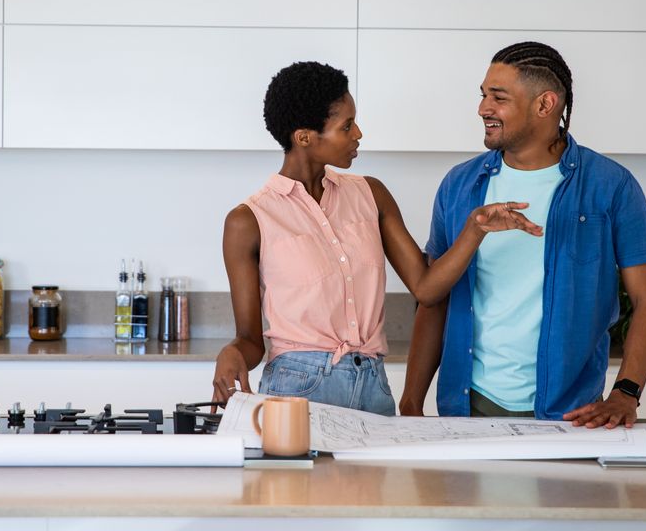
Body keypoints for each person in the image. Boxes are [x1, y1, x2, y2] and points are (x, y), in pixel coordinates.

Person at [211, 61, 542, 414]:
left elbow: (427, 288)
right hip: (296, 391)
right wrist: (232, 353)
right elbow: (250, 341)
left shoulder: (372, 194)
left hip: (373, 387)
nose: (358, 134)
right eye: (347, 126)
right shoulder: (248, 220)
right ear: (305, 137)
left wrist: (474, 229)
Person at [399, 41, 646, 428]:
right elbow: (433, 302)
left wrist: (626, 392)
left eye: (499, 97)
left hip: (571, 415)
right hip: (464, 412)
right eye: (483, 95)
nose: (483, 109)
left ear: (545, 105)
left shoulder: (611, 186)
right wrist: (411, 403)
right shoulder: (459, 186)